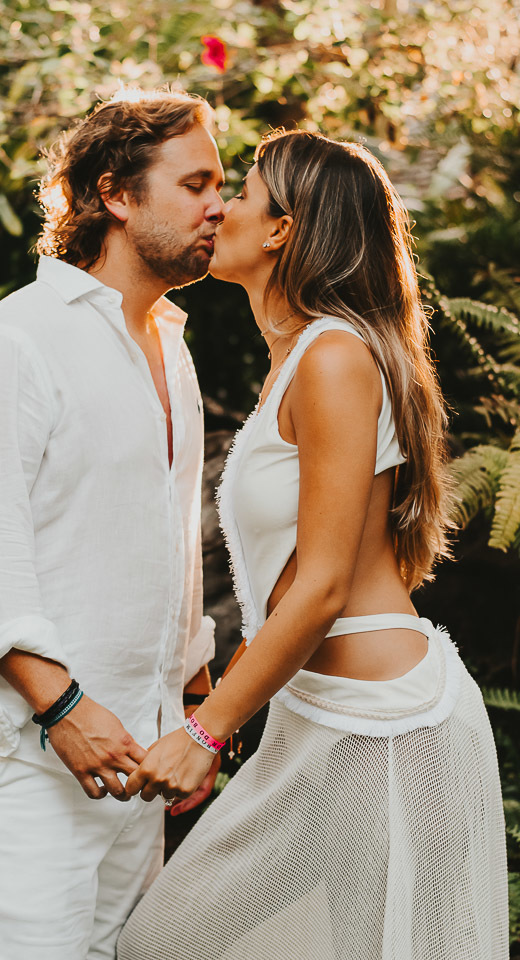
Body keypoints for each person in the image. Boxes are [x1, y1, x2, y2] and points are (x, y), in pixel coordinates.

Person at [117, 130, 509, 959]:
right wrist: (219, 701)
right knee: (169, 943)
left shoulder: (334, 357)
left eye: (240, 192)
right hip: (314, 718)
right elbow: (289, 573)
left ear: (282, 230)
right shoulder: (299, 359)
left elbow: (324, 585)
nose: (218, 209)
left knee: (164, 945)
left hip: (389, 728)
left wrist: (205, 733)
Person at [0, 88, 225, 960]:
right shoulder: (17, 341)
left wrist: (192, 703)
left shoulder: (171, 346)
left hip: (130, 762)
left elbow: (167, 548)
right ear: (114, 193)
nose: (219, 206)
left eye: (220, 185)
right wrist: (63, 709)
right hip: (12, 761)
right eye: (195, 184)